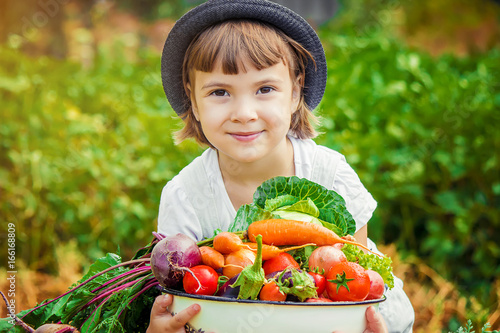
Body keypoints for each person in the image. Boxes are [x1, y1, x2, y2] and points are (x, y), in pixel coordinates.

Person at [147, 0, 415, 332]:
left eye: (265, 89)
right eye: (219, 92)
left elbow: (356, 283)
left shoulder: (330, 175)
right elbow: (181, 295)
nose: (244, 113)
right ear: (193, 100)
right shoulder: (185, 195)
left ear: (295, 91)